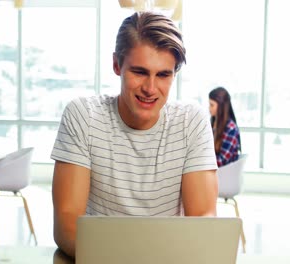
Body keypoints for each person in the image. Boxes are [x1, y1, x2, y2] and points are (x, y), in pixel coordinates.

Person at [51, 12, 218, 258]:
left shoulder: (191, 121)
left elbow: (202, 219)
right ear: (117, 65)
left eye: (163, 75)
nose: (150, 89)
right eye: (139, 72)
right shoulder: (83, 115)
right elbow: (66, 223)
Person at [208, 87, 241, 167]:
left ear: (221, 107)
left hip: (223, 174)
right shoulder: (213, 123)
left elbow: (222, 161)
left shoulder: (231, 129)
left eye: (212, 105)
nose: (209, 108)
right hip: (214, 172)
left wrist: (201, 161)